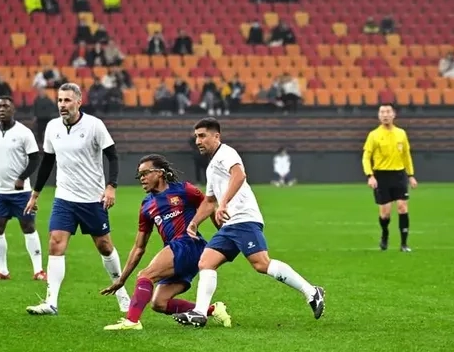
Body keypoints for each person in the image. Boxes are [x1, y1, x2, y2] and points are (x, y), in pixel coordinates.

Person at [173, 117, 325, 328]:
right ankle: (199, 312)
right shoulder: (211, 166)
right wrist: (195, 222)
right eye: (196, 137)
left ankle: (311, 291)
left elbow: (239, 175)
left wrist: (224, 203)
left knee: (261, 264)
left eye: (202, 136)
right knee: (206, 262)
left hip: (244, 218)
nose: (198, 141)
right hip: (230, 224)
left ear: (216, 136)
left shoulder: (226, 153)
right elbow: (209, 201)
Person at [23, 82, 131, 315]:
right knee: (55, 243)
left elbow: (112, 156)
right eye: (60, 100)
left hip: (92, 199)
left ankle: (121, 291)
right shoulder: (52, 127)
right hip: (64, 198)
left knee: (104, 246)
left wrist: (111, 187)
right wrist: (35, 194)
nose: (62, 105)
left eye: (67, 100)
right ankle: (51, 302)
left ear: (79, 102)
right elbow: (48, 162)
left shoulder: (94, 125)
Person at [101, 154, 232, 330]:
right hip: (177, 251)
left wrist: (224, 235)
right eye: (139, 175)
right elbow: (139, 247)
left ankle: (132, 321)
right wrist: (121, 279)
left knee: (146, 275)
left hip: (188, 244)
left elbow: (208, 206)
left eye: (145, 173)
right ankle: (212, 310)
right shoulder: (146, 205)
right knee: (159, 303)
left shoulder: (184, 190)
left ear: (160, 173)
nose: (142, 179)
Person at [0, 96, 45, 281]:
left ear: (13, 109)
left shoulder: (24, 133)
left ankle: (39, 271)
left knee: (28, 226)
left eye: (5, 106)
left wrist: (22, 178)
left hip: (21, 192)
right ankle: (2, 271)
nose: (2, 109)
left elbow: (35, 159)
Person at [362, 103, 418, 252]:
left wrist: (411, 175)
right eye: (382, 112)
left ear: (394, 115)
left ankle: (404, 244)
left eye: (388, 112)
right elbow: (366, 157)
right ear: (379, 116)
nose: (385, 115)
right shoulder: (374, 135)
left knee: (402, 207)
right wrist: (370, 176)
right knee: (385, 213)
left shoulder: (401, 133)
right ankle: (385, 234)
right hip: (381, 176)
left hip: (399, 174)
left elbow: (406, 155)